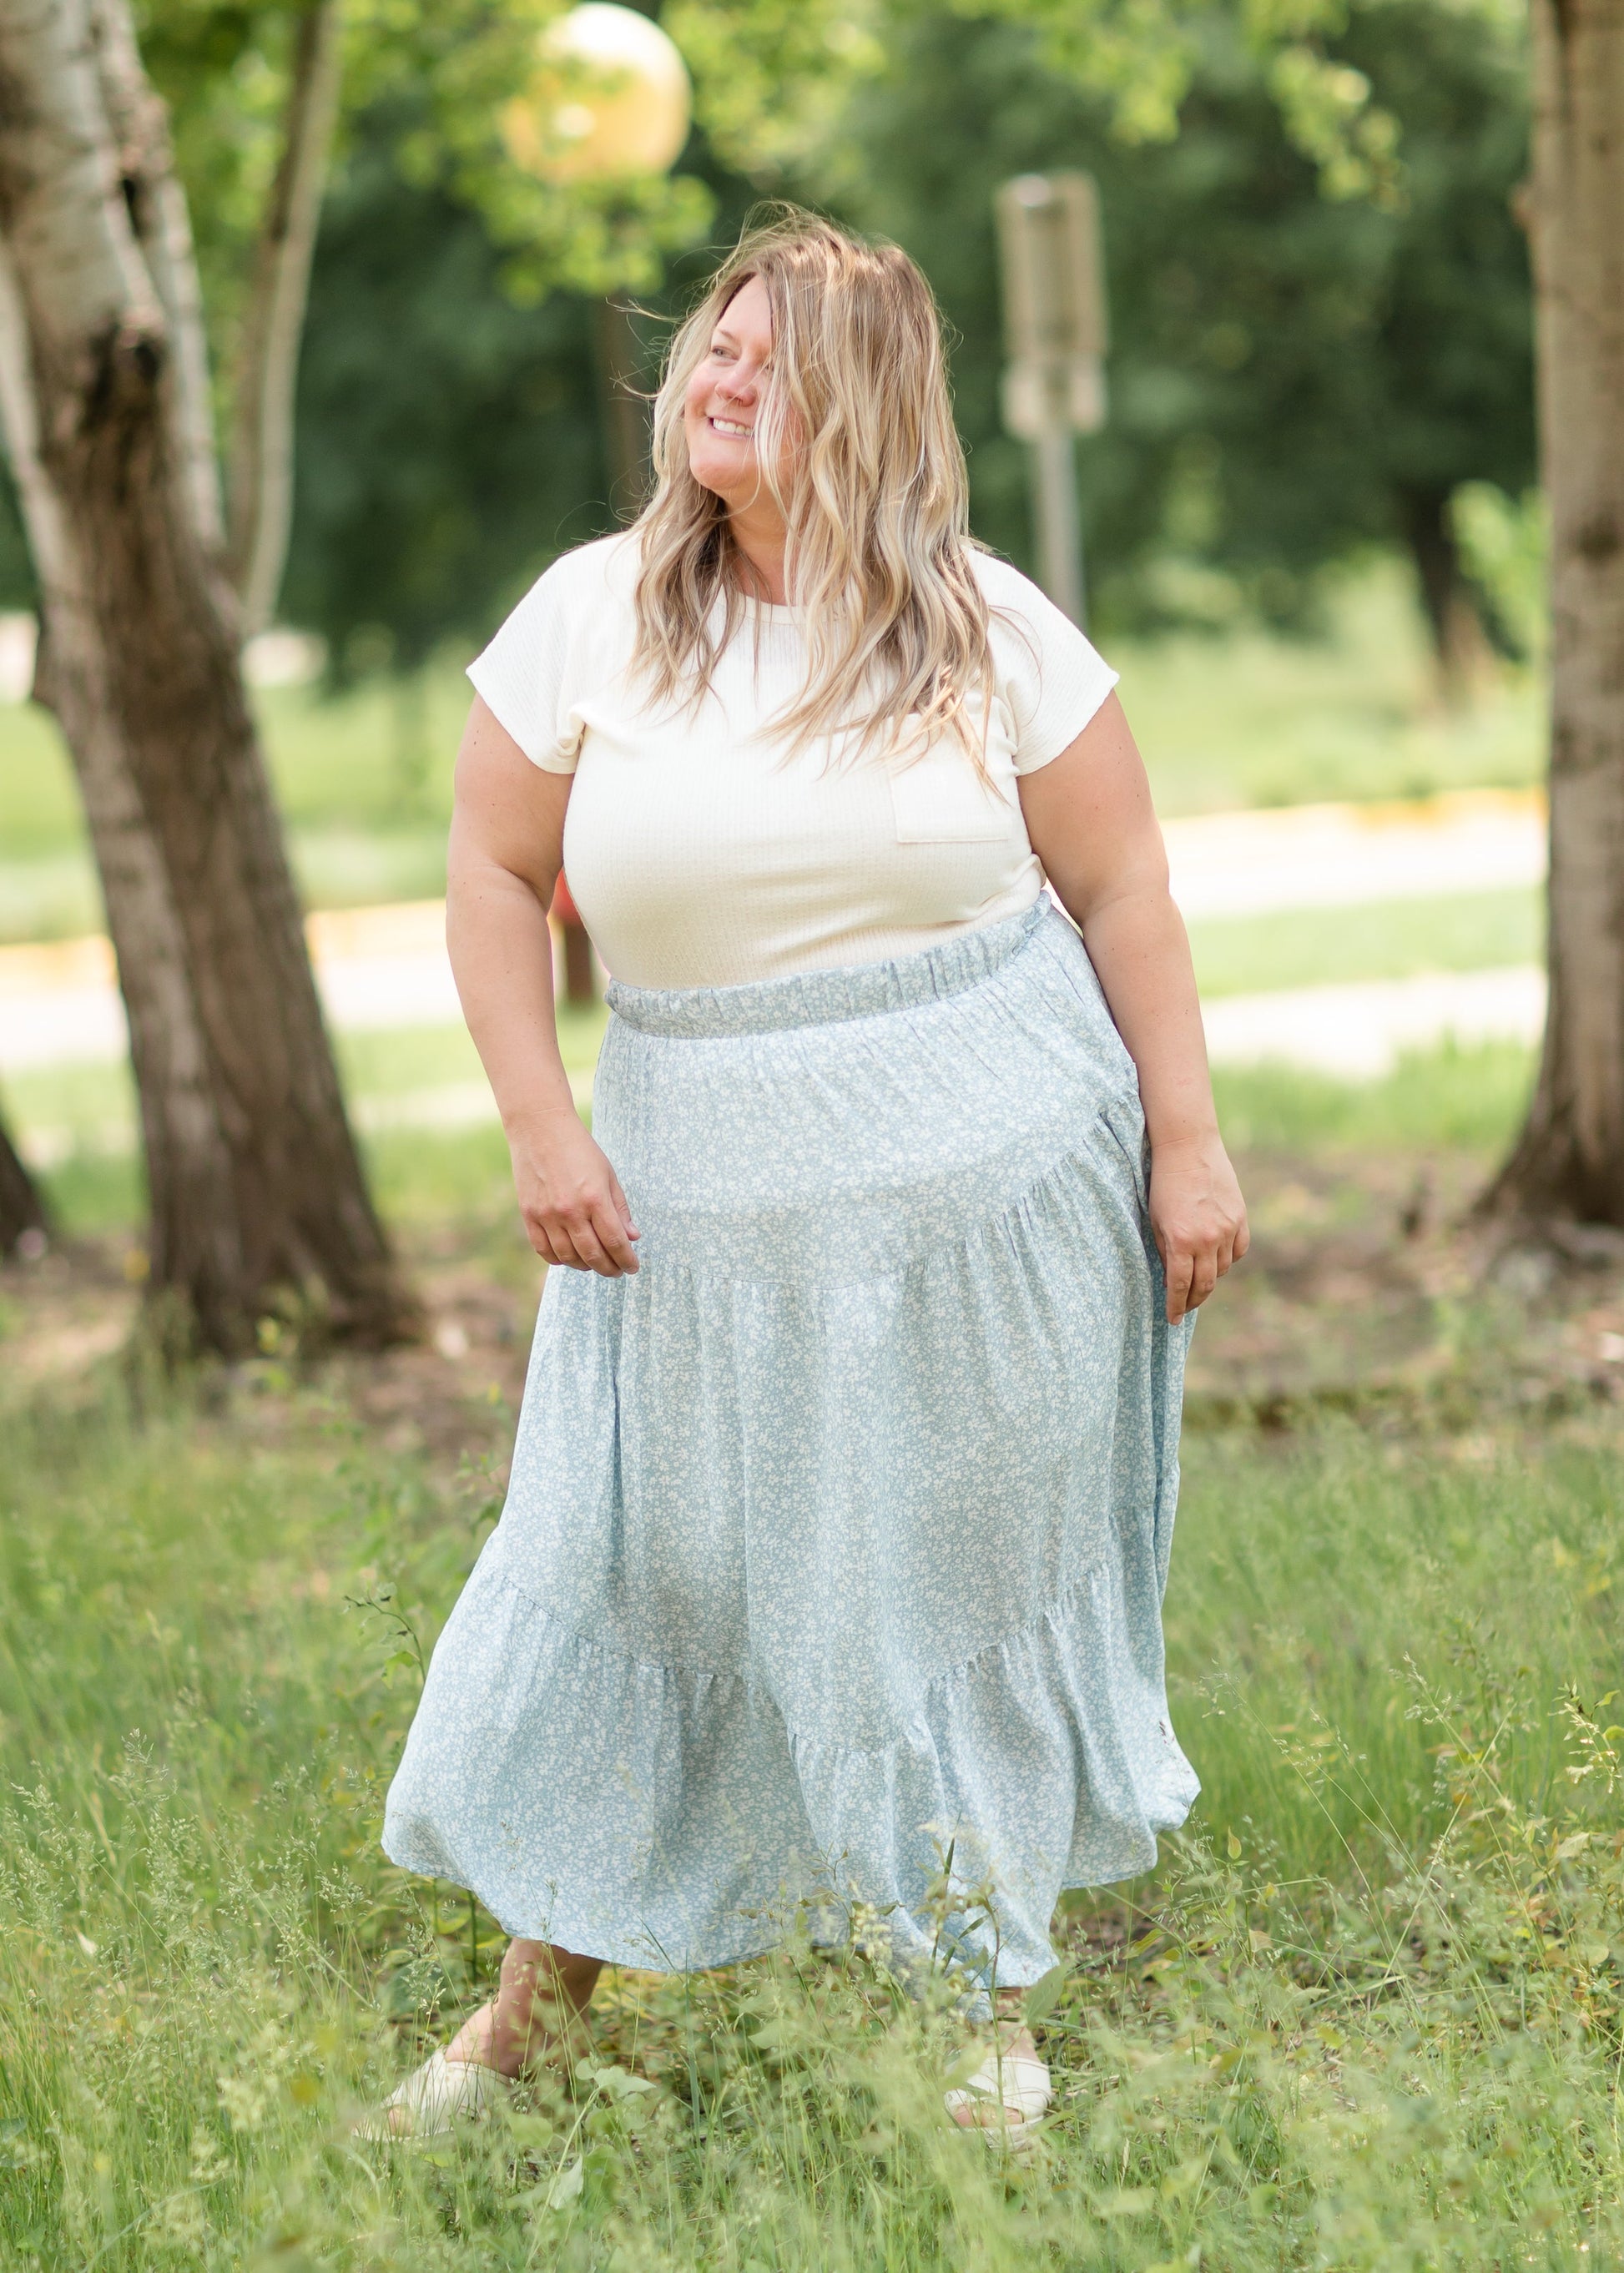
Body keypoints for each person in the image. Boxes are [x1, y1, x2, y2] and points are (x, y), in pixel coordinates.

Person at [367, 208, 1248, 2147]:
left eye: (767, 357)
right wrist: (538, 1122)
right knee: (640, 1573)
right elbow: (493, 877)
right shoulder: (591, 610)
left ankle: (980, 2009)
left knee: (958, 1580)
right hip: (693, 1189)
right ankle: (528, 2021)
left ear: (862, 399)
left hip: (994, 1191)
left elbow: (1121, 889)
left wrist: (1185, 1140)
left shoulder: (985, 621)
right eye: (711, 346)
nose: (718, 376)